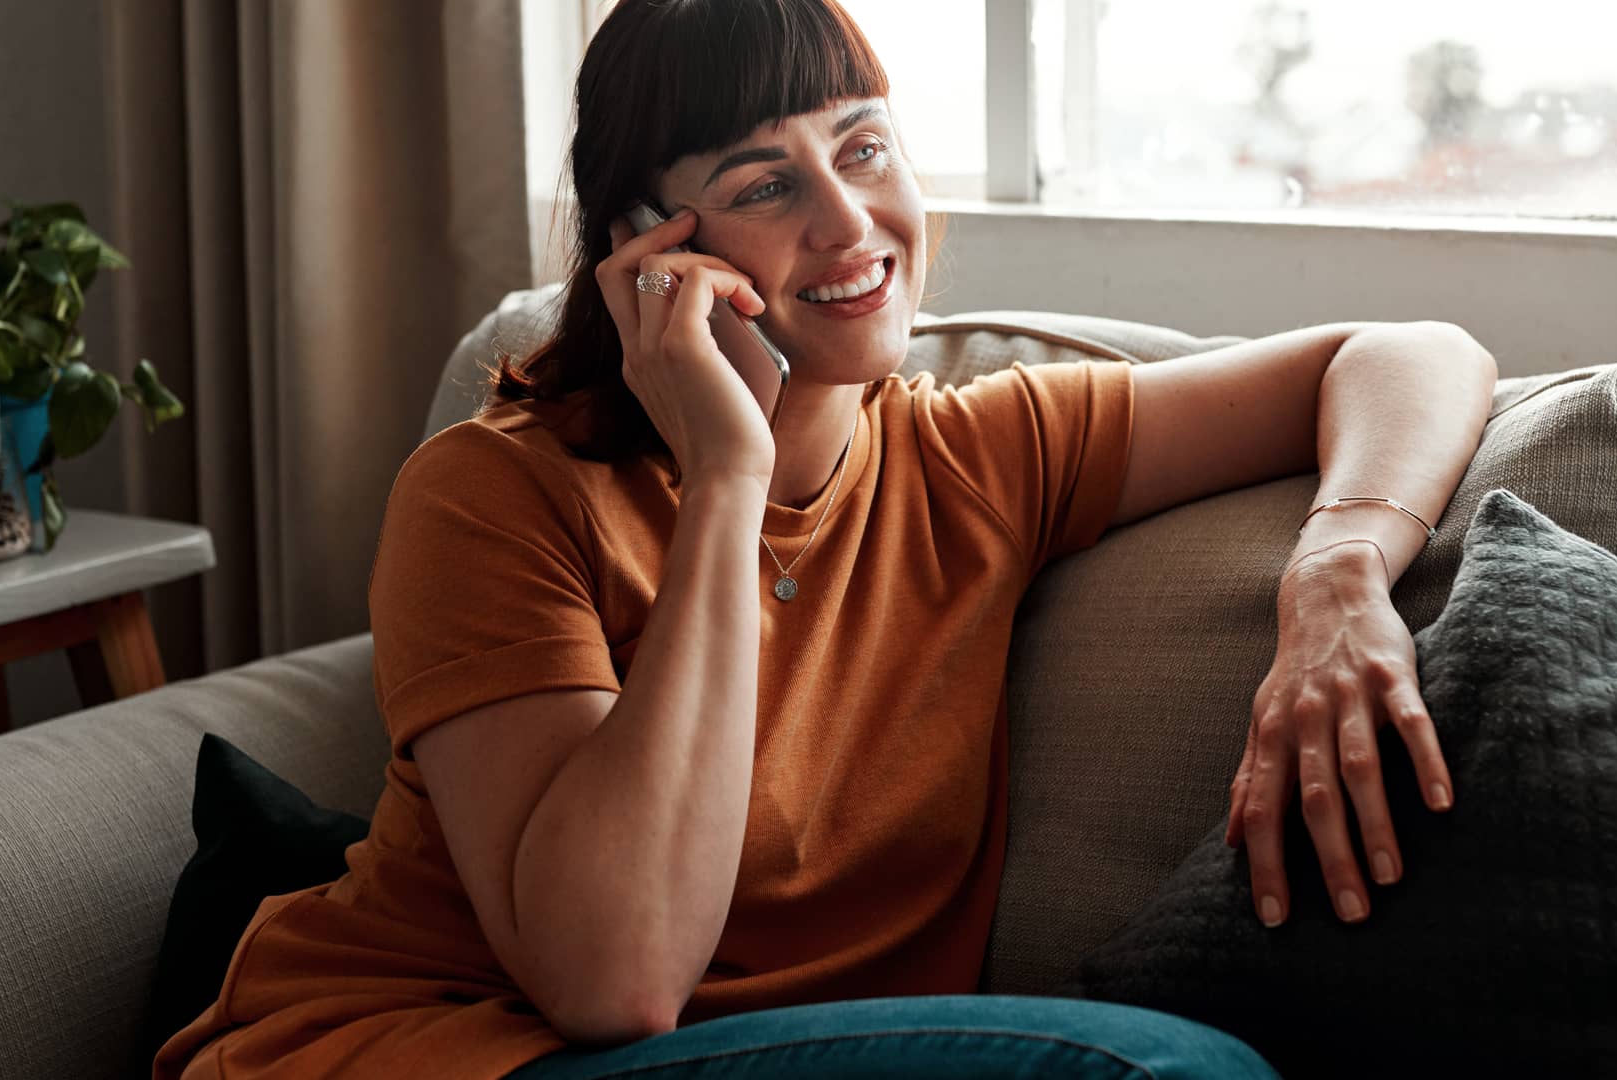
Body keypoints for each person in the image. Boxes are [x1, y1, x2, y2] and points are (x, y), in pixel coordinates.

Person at [152, 0, 1497, 1076]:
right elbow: (615, 982)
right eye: (767, 182)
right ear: (647, 245)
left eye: (863, 148)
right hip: (441, 1050)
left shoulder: (984, 457)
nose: (850, 224)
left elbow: (1408, 354)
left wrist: (1337, 575)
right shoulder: (494, 496)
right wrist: (727, 473)